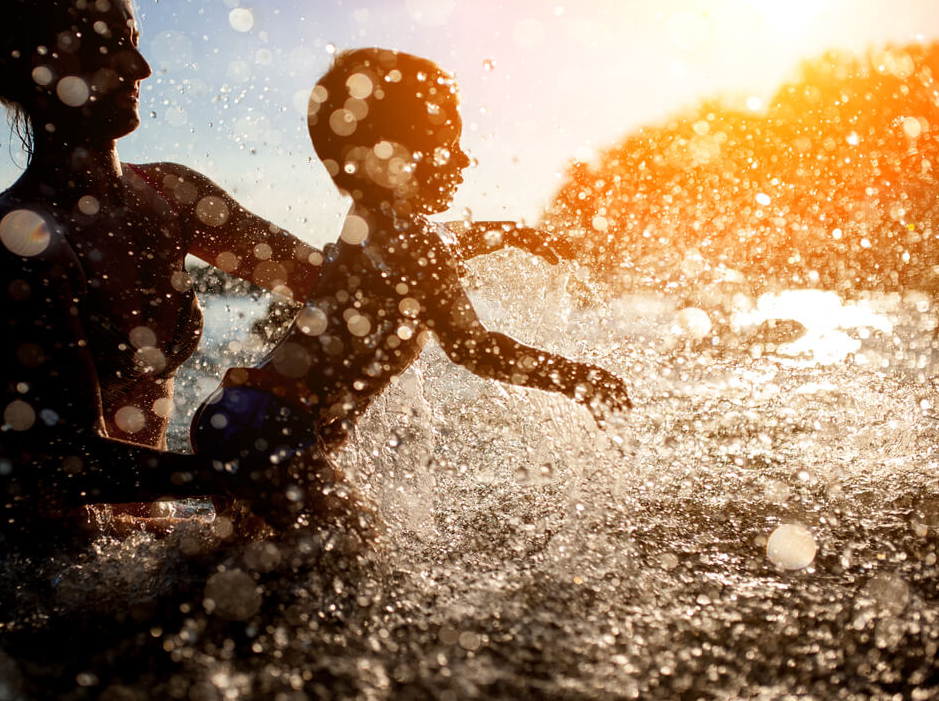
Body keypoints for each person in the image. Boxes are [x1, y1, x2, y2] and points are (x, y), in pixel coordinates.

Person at [0, 0, 325, 536]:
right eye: (106, 45)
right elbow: (62, 462)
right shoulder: (19, 236)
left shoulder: (174, 195)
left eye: (133, 39)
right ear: (37, 65)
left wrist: (428, 246)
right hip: (19, 556)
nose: (141, 66)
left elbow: (324, 283)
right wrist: (234, 475)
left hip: (136, 540)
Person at [191, 48, 632, 540]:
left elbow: (446, 239)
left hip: (241, 415)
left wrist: (509, 233)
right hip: (269, 429)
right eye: (448, 143)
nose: (466, 159)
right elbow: (474, 349)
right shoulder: (409, 242)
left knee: (245, 559)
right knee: (357, 550)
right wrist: (576, 378)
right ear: (392, 156)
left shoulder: (373, 227)